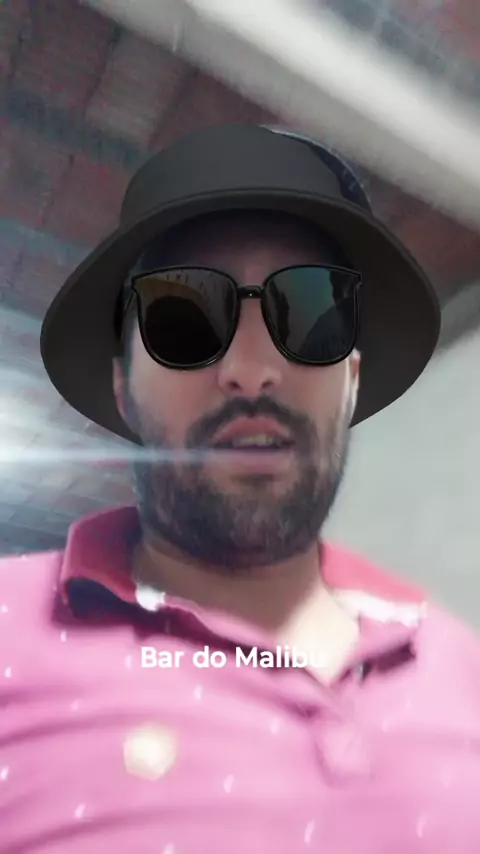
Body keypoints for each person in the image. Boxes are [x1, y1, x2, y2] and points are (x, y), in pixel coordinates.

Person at [1, 123, 479, 854]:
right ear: (125, 388)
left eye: (312, 310)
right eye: (184, 315)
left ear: (350, 382)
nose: (252, 370)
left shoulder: (463, 666)